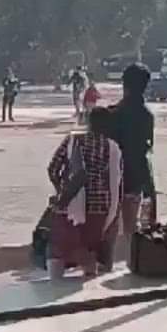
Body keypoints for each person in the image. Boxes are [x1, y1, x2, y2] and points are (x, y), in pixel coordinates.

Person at [47, 107, 123, 279]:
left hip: (71, 206)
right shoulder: (112, 147)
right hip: (100, 206)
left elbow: (53, 169)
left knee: (59, 249)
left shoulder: (73, 140)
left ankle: (54, 287)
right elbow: (116, 180)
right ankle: (87, 286)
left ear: (89, 122)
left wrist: (63, 190)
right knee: (89, 251)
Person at [105, 63, 157, 250]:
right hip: (136, 177)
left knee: (108, 225)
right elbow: (147, 148)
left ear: (124, 85)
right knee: (132, 226)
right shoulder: (147, 116)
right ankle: (133, 260)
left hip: (111, 177)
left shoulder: (112, 113)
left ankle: (105, 263)